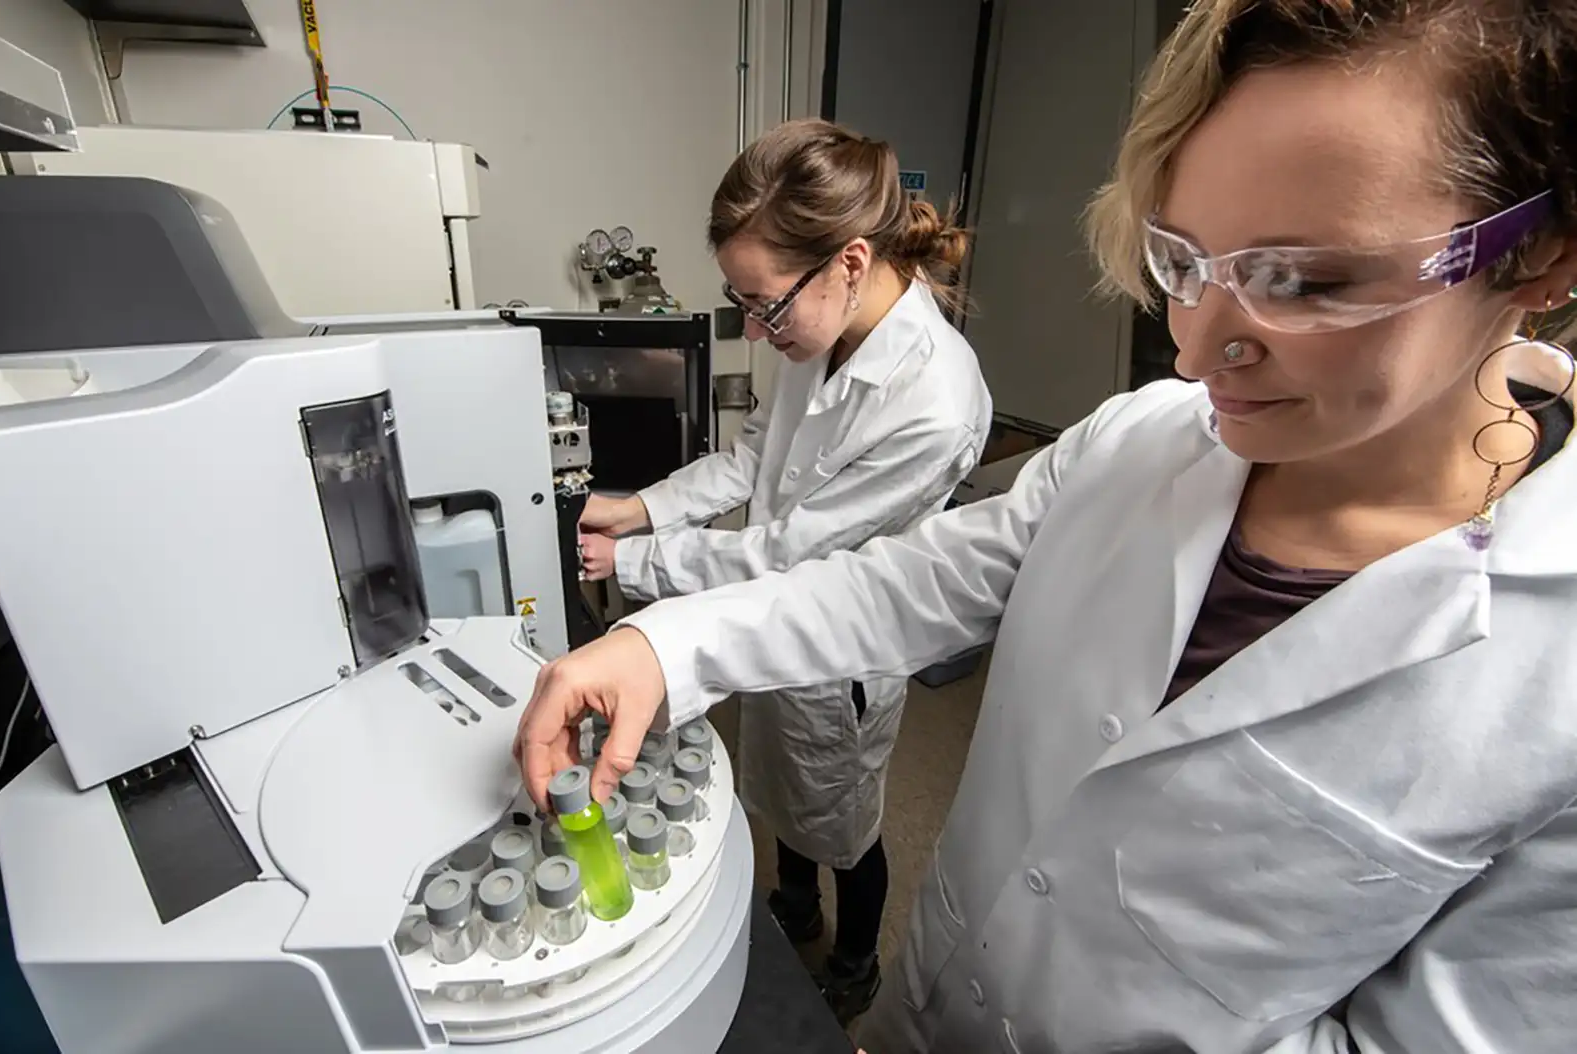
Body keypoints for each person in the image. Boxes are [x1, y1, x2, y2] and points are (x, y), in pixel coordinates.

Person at [518, 1, 1577, 1050]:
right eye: (1182, 262)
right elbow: (904, 583)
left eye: (1301, 279)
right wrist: (663, 641)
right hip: (925, 1005)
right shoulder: (1138, 440)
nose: (1193, 356)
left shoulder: (1550, 677)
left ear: (1536, 258)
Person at [574, 118, 993, 1021]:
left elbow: (790, 551)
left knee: (845, 819)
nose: (757, 332)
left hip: (841, 649)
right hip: (765, 613)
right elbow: (753, 459)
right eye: (742, 304)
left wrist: (635, 560)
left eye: (765, 305)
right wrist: (640, 505)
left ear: (848, 260)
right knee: (780, 790)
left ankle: (853, 963)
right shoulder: (817, 328)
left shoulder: (935, 402)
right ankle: (794, 904)